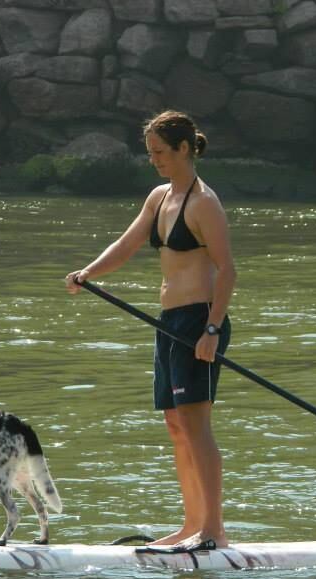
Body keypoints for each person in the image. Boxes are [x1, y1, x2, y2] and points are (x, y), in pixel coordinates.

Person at [65, 110, 237, 552]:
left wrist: (213, 330)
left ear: (183, 148)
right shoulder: (159, 197)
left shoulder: (204, 203)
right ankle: (191, 524)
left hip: (199, 321)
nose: (154, 160)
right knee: (176, 426)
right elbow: (126, 244)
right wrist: (88, 272)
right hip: (169, 323)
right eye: (150, 153)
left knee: (197, 426)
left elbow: (227, 269)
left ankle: (214, 531)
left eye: (160, 152)